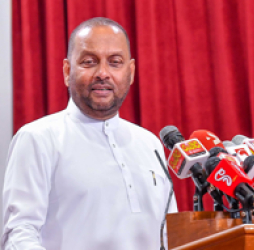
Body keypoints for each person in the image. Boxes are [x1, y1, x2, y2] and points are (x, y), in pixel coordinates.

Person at [2, 17, 177, 250]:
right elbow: (19, 234)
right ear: (67, 71)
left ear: (131, 71)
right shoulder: (38, 138)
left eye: (115, 62)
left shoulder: (150, 144)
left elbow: (169, 234)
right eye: (89, 62)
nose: (103, 73)